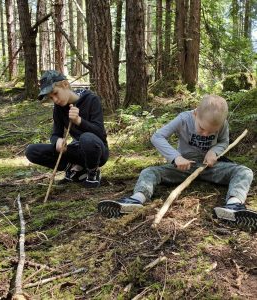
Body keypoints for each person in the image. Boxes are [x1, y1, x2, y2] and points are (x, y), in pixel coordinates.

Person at [98, 95, 257, 229]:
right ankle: (136, 200)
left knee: (244, 171)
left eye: (212, 132)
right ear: (196, 114)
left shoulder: (222, 124)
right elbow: (157, 137)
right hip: (183, 167)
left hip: (209, 167)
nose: (206, 133)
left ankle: (233, 206)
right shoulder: (184, 119)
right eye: (202, 129)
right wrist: (175, 157)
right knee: (150, 172)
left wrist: (213, 151)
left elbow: (224, 141)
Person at [25, 70, 109, 188]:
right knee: (32, 151)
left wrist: (79, 121)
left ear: (65, 85)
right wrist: (57, 141)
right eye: (51, 97)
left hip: (98, 152)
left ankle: (92, 172)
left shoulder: (91, 99)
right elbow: (55, 134)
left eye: (55, 93)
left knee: (87, 138)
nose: (55, 100)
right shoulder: (59, 108)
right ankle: (73, 169)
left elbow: (100, 133)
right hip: (77, 151)